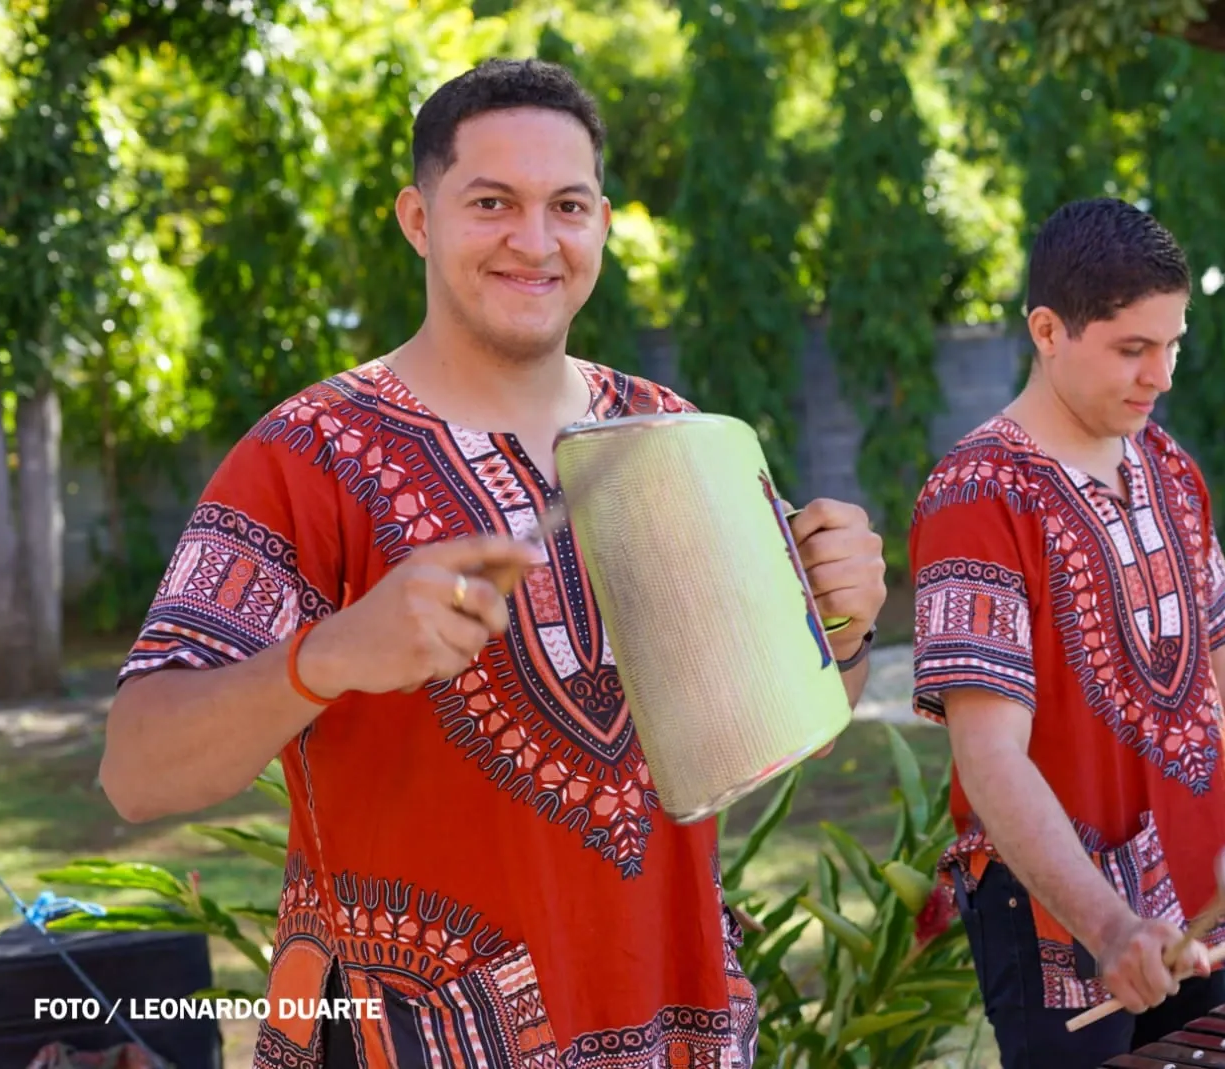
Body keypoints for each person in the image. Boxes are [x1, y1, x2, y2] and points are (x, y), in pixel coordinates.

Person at [99, 58, 887, 1069]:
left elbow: (780, 722)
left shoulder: (669, 435)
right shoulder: (306, 456)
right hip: (411, 1037)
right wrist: (327, 655)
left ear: (601, 219)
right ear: (419, 220)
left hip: (674, 1020)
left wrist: (845, 627)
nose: (535, 239)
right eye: (490, 203)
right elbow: (135, 768)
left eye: (567, 204)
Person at [906, 197, 1225, 1068]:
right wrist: (1107, 924)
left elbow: (1224, 665)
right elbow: (990, 755)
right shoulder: (975, 497)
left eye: (1173, 343)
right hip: (1060, 917)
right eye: (1132, 348)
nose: (1162, 374)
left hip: (1192, 890)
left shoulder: (1168, 468)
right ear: (1047, 329)